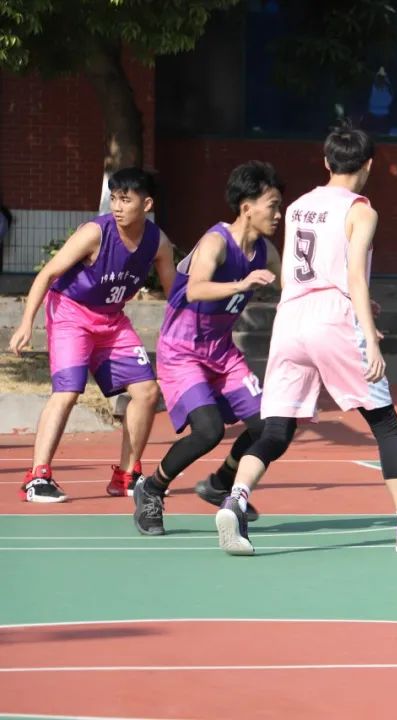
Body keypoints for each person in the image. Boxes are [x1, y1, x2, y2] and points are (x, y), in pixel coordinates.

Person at [213, 121, 397, 555]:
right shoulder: (362, 211)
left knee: (277, 428)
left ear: (326, 161)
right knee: (385, 422)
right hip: (333, 317)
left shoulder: (299, 206)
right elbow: (353, 275)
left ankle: (236, 499)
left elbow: (299, 274)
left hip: (292, 316)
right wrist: (369, 336)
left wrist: (357, 305)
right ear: (369, 164)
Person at [133, 161, 284, 535]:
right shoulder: (216, 242)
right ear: (247, 207)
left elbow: (294, 291)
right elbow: (196, 288)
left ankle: (220, 483)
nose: (278, 215)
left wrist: (347, 303)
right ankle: (152, 488)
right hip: (181, 350)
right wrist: (241, 284)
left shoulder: (266, 252)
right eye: (272, 206)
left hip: (222, 352)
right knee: (208, 430)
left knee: (269, 426)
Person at [8, 168, 175, 503]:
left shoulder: (158, 242)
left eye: (125, 199)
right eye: (114, 199)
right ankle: (38, 477)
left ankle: (126, 475)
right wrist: (26, 323)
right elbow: (47, 274)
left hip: (112, 321)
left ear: (147, 204)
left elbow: (174, 295)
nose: (117, 206)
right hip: (71, 315)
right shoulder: (95, 233)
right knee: (68, 391)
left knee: (146, 391)